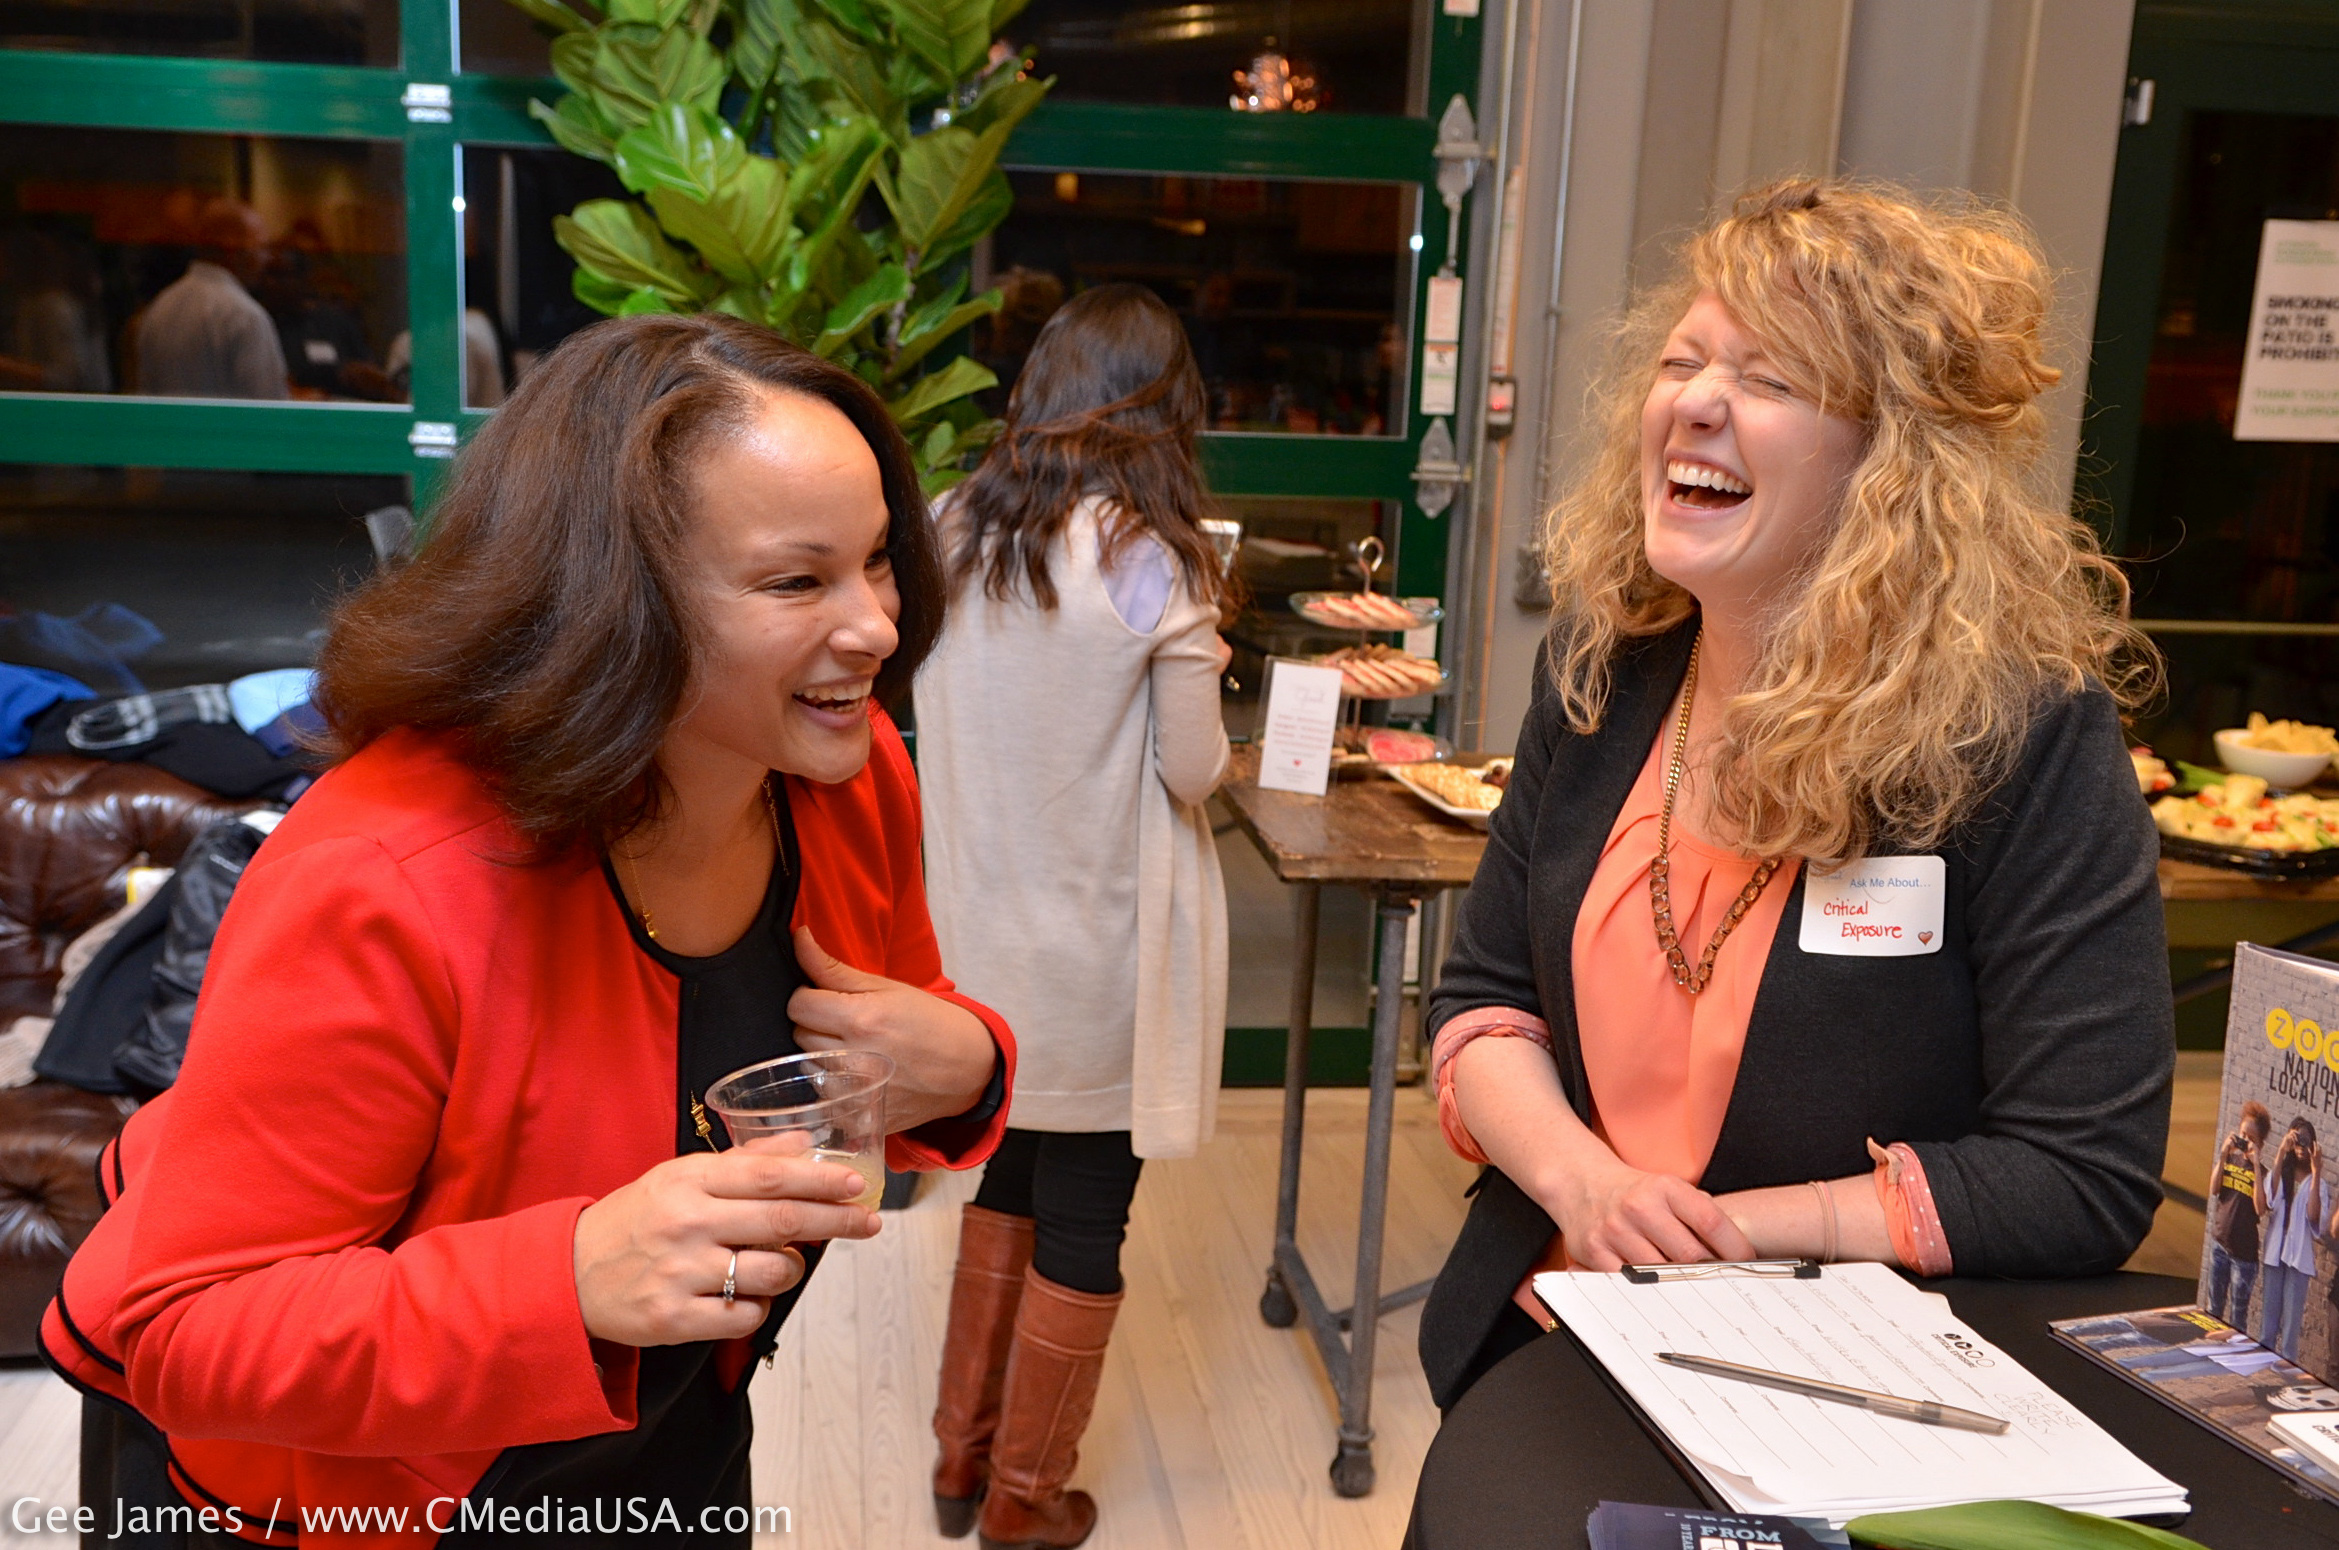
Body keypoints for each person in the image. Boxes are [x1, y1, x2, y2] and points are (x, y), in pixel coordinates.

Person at [41, 312, 1014, 1544]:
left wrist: (969, 1060)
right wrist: (565, 1277)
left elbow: (903, 1029)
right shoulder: (388, 873)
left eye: (877, 559)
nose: (875, 623)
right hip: (361, 1501)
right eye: (795, 579)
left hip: (663, 1443)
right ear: (617, 599)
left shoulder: (845, 771)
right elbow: (184, 1322)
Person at [1418, 178, 2176, 1413]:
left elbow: (2076, 1171)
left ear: (1892, 463)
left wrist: (1724, 1229)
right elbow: (1483, 1004)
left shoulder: (2020, 740)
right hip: (1539, 1346)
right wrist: (1587, 1190)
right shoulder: (1599, 672)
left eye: (1768, 379)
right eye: (1681, 361)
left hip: (1831, 1390)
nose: (1695, 403)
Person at [912, 283, 1233, 1550]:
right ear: (1164, 412)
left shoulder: (943, 529)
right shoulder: (1150, 556)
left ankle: (959, 1460)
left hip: (975, 949)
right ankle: (1023, 1502)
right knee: (1087, 1212)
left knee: (1008, 1178)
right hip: (1101, 952)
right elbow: (1193, 770)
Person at [132, 196, 289, 399]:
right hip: (227, 431)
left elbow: (145, 395)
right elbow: (269, 411)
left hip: (168, 431)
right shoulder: (245, 315)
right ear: (233, 249)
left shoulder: (159, 307)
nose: (266, 259)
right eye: (261, 248)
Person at [2259, 1117, 2324, 1362]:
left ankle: (2283, 1387)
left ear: (2313, 1146)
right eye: (2297, 1139)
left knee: (2289, 1337)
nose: (2300, 1146)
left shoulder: (2318, 1184)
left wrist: (2317, 1173)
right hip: (2274, 1256)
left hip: (2298, 1263)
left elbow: (2313, 1216)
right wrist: (2280, 1153)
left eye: (2305, 1141)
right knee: (2267, 1330)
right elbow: (2268, 1199)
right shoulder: (2282, 1172)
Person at [2209, 1101, 2272, 1328]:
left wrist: (2255, 1165)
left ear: (2260, 1143)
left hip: (2244, 1256)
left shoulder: (2264, 1174)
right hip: (2219, 1245)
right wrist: (2224, 1154)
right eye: (2243, 1134)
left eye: (2251, 1138)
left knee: (2238, 1317)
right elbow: (2214, 1189)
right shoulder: (2230, 1160)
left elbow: (2260, 1209)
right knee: (2213, 1310)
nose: (2245, 1141)